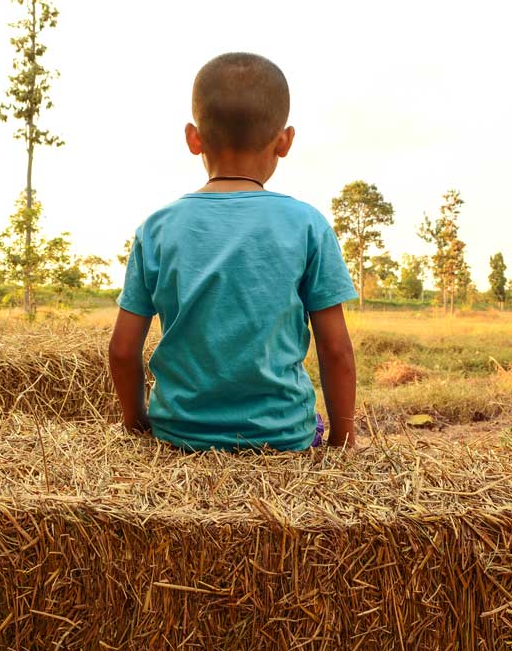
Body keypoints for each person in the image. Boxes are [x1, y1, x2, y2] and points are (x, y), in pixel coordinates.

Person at [109, 52, 358, 451]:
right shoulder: (307, 225)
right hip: (282, 438)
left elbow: (123, 351)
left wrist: (136, 424)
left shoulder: (156, 228)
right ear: (284, 141)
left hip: (178, 436)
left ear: (194, 138)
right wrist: (344, 442)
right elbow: (336, 350)